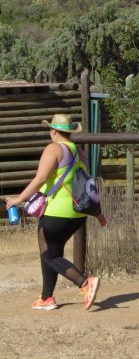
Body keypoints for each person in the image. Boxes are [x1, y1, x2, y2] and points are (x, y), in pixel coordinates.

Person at [4, 113, 104, 310]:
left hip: (56, 211)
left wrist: (18, 199)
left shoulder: (53, 149)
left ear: (53, 131)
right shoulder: (79, 152)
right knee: (52, 252)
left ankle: (85, 282)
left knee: (49, 255)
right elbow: (86, 182)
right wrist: (98, 213)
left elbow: (40, 179)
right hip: (77, 213)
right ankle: (46, 297)